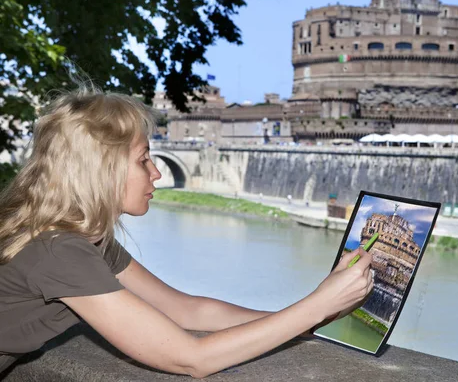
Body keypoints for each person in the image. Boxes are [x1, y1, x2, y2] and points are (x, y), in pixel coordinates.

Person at [0, 84, 374, 379]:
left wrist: (308, 317)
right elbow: (191, 359)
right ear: (102, 169)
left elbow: (185, 309)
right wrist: (316, 306)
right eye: (143, 159)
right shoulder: (59, 249)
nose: (157, 172)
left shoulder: (83, 237)